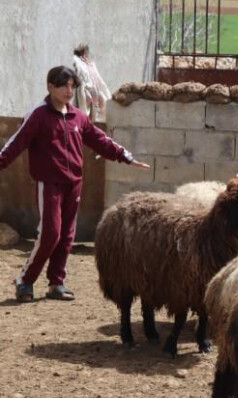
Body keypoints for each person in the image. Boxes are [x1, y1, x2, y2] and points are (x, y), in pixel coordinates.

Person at [0, 66, 150, 302]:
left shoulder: (78, 117)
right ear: (50, 86)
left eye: (72, 86)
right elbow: (15, 143)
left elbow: (99, 140)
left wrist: (125, 156)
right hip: (49, 184)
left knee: (67, 235)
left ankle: (56, 283)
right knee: (50, 234)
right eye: (64, 85)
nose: (69, 91)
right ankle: (25, 280)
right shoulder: (38, 115)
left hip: (74, 184)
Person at [71, 44, 111, 121]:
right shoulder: (78, 63)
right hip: (86, 89)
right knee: (87, 103)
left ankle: (97, 120)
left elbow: (98, 78)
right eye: (83, 53)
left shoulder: (91, 64)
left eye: (86, 53)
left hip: (95, 90)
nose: (85, 55)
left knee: (102, 99)